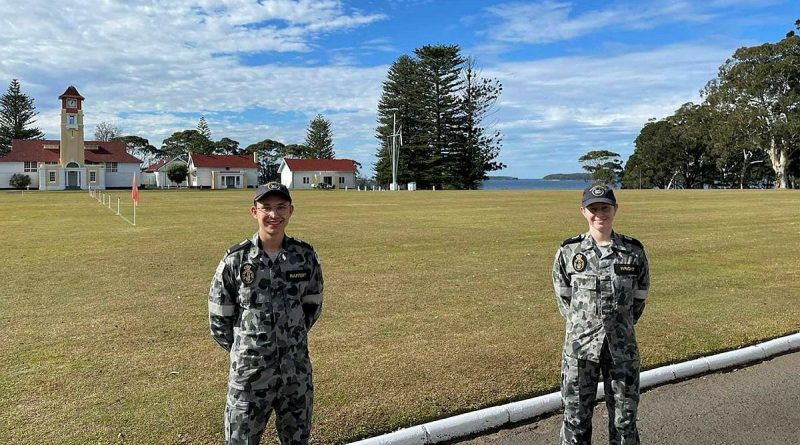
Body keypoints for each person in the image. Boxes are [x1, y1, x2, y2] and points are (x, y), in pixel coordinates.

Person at [208, 182, 324, 445]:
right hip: (250, 375)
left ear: (291, 211)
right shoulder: (236, 260)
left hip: (295, 373)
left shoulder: (304, 257)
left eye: (281, 207)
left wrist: (288, 337)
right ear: (254, 212)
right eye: (267, 208)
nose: (274, 215)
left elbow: (312, 306)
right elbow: (219, 319)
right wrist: (246, 348)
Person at [552, 185, 650, 445]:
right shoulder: (569, 251)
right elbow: (565, 300)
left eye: (605, 207)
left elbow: (639, 299)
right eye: (593, 208)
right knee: (575, 420)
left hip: (622, 350)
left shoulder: (634, 252)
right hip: (579, 350)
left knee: (624, 421)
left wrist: (619, 325)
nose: (599, 214)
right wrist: (585, 325)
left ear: (615, 210)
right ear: (583, 211)